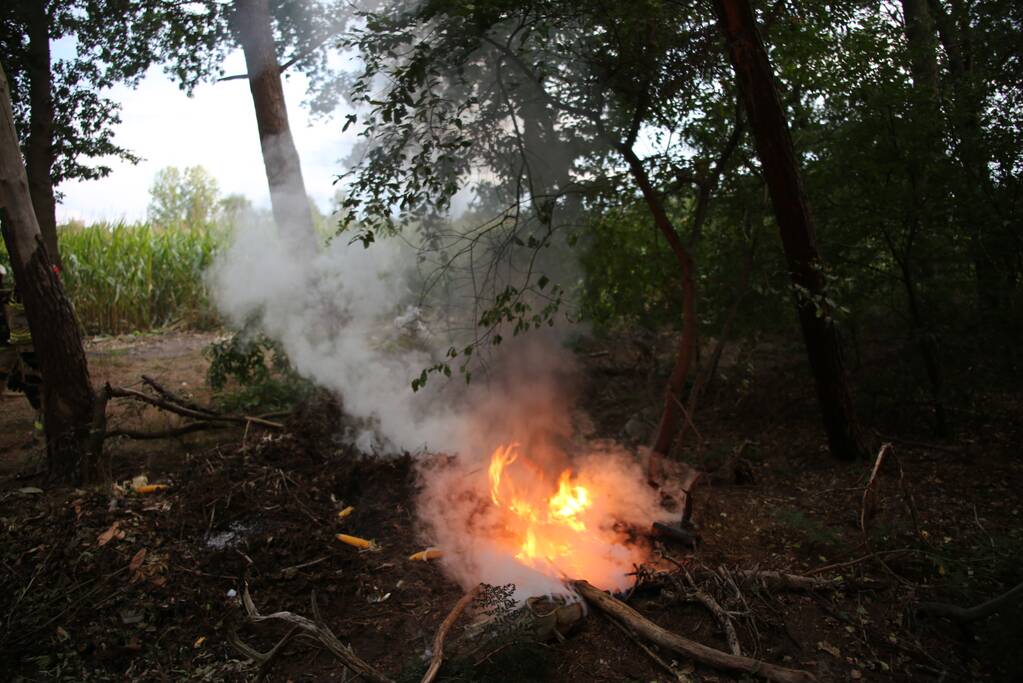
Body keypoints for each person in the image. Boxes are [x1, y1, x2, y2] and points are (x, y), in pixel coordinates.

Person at [0, 264, 43, 411]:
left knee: (32, 384)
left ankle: (42, 416)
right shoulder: (13, 296)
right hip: (18, 347)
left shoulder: (12, 296)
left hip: (20, 347)